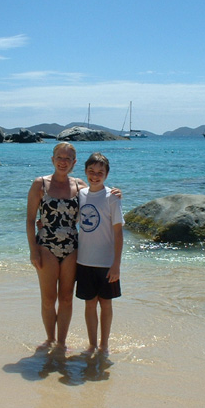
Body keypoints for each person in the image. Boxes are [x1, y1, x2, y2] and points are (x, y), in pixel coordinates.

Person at [27, 142, 85, 350]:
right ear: (52, 160)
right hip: (46, 246)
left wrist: (114, 193)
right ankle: (50, 338)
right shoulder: (40, 184)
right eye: (59, 157)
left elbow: (98, 202)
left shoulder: (80, 186)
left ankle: (61, 342)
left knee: (67, 298)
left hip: (72, 246)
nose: (63, 162)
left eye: (67, 159)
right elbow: (29, 219)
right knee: (49, 298)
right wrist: (33, 250)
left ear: (74, 162)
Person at [76, 152, 124, 355]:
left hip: (106, 263)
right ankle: (92, 344)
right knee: (89, 305)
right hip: (84, 260)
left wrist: (116, 265)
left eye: (100, 173)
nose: (95, 176)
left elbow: (118, 233)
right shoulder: (80, 194)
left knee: (105, 304)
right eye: (91, 171)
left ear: (107, 174)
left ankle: (104, 345)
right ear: (85, 171)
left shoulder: (112, 197)